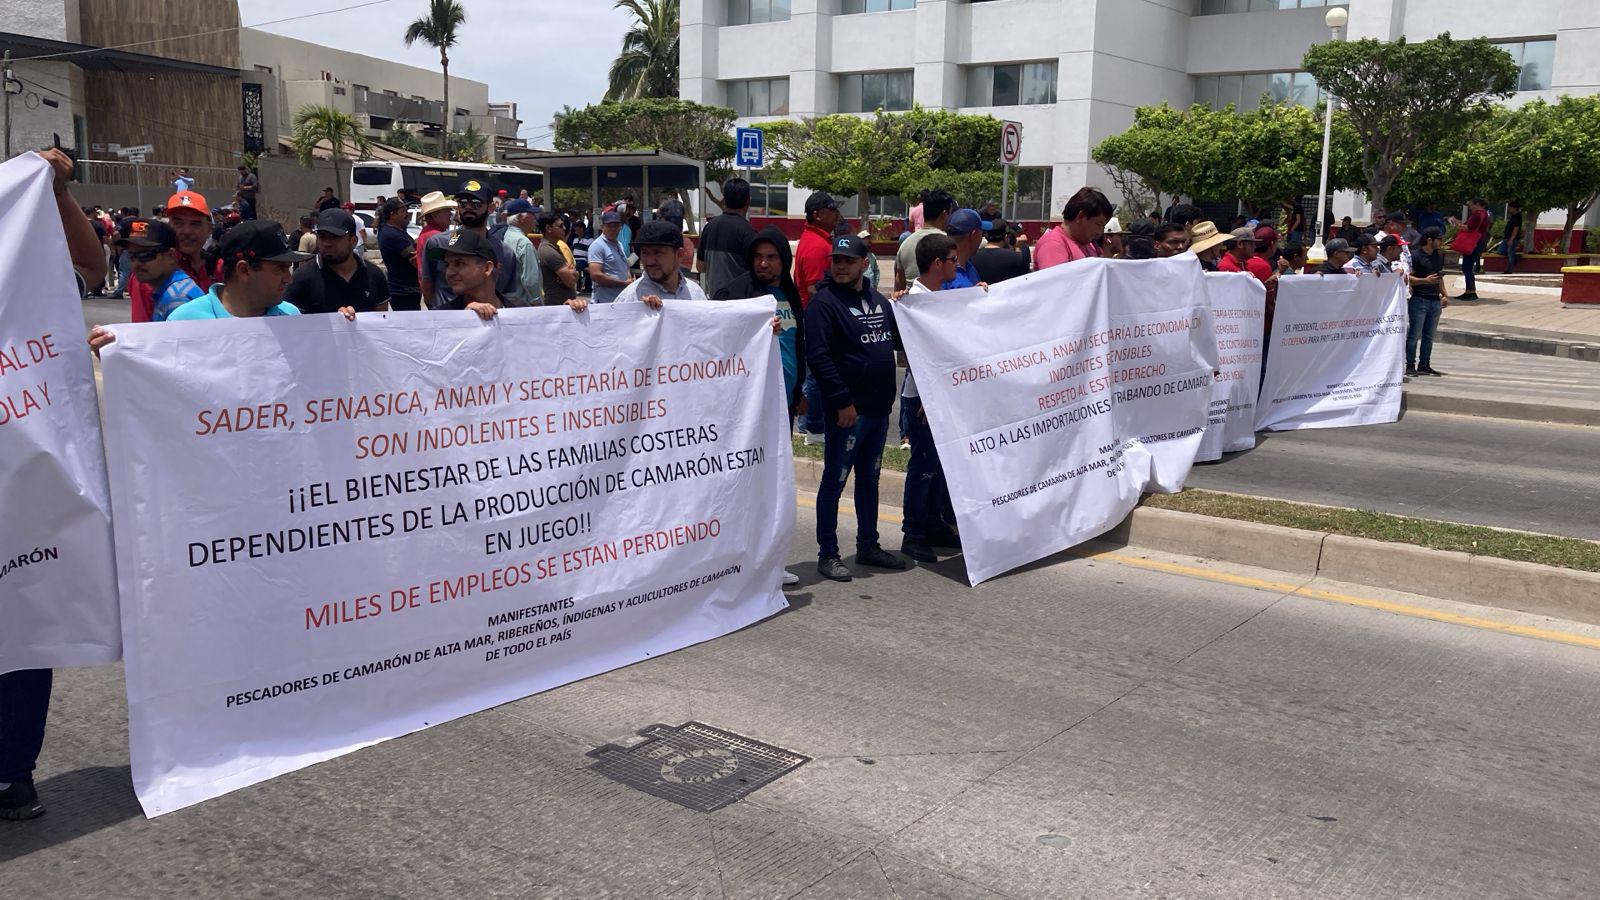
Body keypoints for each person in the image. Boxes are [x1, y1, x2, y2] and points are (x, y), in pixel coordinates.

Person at [805, 233, 907, 582]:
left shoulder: (879, 302)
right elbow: (819, 357)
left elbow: (899, 338)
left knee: (870, 479)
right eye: (837, 260)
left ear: (866, 263)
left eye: (848, 260)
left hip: (878, 411)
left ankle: (868, 546)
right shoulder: (824, 303)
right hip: (848, 413)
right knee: (834, 482)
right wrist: (842, 401)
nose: (841, 266)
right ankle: (828, 553)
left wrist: (910, 307)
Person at [900, 232, 963, 564]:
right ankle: (913, 533)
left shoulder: (940, 296)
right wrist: (929, 395)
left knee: (940, 465)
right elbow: (915, 356)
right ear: (937, 264)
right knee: (923, 465)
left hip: (942, 397)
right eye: (953, 260)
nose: (957, 265)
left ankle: (935, 523)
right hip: (922, 398)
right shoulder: (915, 301)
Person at [129, 189, 221, 322]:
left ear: (209, 229)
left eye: (195, 224)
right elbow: (142, 331)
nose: (187, 231)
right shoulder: (152, 271)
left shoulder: (220, 267)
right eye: (178, 223)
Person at [423, 181, 518, 308]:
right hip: (446, 322)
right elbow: (427, 288)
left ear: (491, 208)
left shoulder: (505, 253)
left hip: (491, 323)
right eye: (462, 203)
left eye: (476, 204)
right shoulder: (437, 243)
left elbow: (507, 295)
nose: (468, 207)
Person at [794, 191, 842, 444]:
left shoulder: (819, 240)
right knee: (816, 374)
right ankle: (812, 428)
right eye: (832, 210)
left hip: (816, 317)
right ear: (817, 214)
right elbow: (814, 287)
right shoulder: (816, 245)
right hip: (816, 319)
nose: (836, 214)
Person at [284, 208, 390, 315]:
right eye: (322, 236)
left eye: (334, 237)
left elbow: (383, 322)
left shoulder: (374, 275)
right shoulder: (301, 278)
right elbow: (291, 324)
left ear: (353, 241)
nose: (327, 243)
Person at [114, 219, 206, 321]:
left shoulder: (177, 299)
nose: (136, 263)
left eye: (145, 255)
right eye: (131, 256)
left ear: (170, 256)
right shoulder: (171, 290)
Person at [615, 220, 709, 305]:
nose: (650, 261)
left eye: (657, 252)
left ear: (679, 254)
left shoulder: (696, 294)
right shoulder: (629, 300)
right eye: (645, 252)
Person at [697, 177, 756, 299]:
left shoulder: (709, 227)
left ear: (724, 200)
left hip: (714, 300)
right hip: (740, 303)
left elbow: (700, 267)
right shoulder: (748, 232)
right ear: (748, 201)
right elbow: (756, 272)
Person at [1034, 187, 1113, 269]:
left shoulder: (1089, 245)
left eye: (1103, 226)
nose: (1100, 232)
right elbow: (1056, 280)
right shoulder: (1053, 245)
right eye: (1098, 224)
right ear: (1080, 216)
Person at [1405, 228, 1448, 377]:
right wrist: (1425, 280)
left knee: (1429, 336)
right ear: (1429, 240)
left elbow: (1439, 277)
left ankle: (1425, 364)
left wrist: (1444, 294)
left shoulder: (1437, 256)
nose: (1441, 242)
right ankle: (1410, 364)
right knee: (1414, 334)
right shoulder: (1415, 256)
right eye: (1439, 239)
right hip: (1419, 300)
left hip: (1434, 301)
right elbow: (1407, 278)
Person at [895, 188, 954, 289]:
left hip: (913, 302)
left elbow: (899, 283)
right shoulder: (948, 244)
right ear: (944, 214)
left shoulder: (905, 244)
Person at [495, 199, 545, 306]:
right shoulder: (524, 242)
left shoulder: (505, 236)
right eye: (532, 214)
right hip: (524, 304)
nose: (534, 218)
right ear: (521, 218)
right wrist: (537, 300)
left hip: (505, 301)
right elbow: (530, 280)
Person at [376, 200, 422, 311]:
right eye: (403, 211)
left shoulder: (393, 231)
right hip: (404, 290)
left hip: (402, 289)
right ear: (393, 214)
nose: (407, 214)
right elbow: (414, 259)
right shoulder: (394, 235)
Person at [414, 191, 455, 306]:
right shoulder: (437, 237)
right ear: (435, 215)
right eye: (447, 210)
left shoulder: (427, 233)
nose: (450, 214)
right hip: (441, 296)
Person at [587, 211, 632, 303]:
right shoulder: (597, 245)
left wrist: (629, 278)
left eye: (616, 225)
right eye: (609, 226)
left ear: (620, 227)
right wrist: (622, 283)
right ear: (602, 227)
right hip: (605, 301)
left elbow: (624, 265)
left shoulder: (619, 244)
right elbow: (596, 275)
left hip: (620, 299)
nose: (613, 229)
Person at [535, 213, 579, 307]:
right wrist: (572, 272)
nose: (564, 228)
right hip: (557, 306)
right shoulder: (548, 251)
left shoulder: (556, 248)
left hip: (564, 305)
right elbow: (571, 281)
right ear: (548, 228)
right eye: (560, 226)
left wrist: (572, 272)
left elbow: (572, 277)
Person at [974, 218, 1030, 283]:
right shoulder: (1016, 257)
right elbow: (1024, 279)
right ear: (1006, 237)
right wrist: (1018, 248)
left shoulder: (972, 257)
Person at [942, 209, 985, 289]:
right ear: (974, 235)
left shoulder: (970, 266)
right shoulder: (940, 273)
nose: (982, 238)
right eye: (982, 233)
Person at [568, 219, 594, 295]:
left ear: (582, 228)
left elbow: (591, 252)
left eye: (577, 227)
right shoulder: (575, 239)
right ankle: (577, 287)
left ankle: (576, 287)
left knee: (576, 267)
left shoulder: (589, 240)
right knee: (570, 265)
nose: (575, 229)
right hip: (575, 259)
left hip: (584, 260)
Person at [1500, 200, 1522, 275]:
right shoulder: (1512, 216)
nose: (1509, 209)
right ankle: (1515, 257)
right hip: (1507, 237)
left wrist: (1512, 239)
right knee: (1501, 250)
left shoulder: (1517, 217)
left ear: (1515, 208)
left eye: (1510, 208)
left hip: (1512, 239)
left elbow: (1516, 228)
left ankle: (1509, 269)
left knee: (1510, 253)